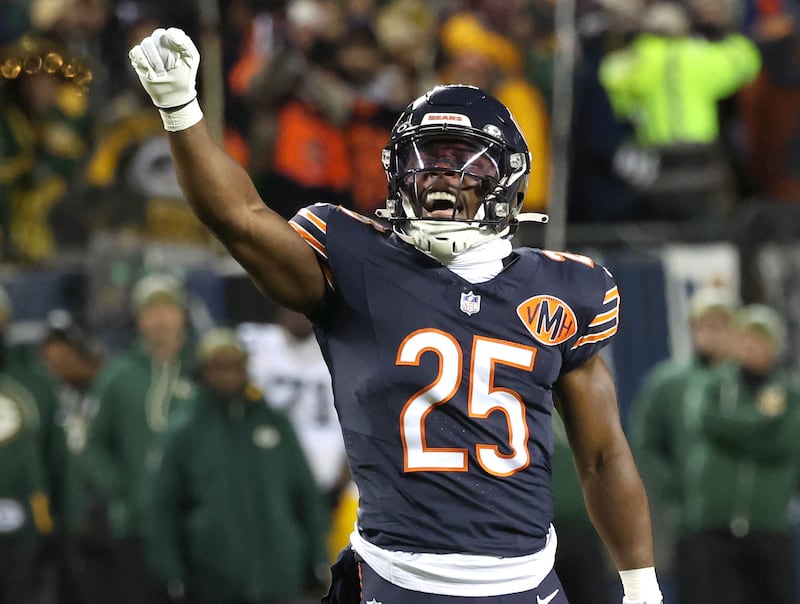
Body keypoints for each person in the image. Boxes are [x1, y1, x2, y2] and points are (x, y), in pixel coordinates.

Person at [128, 27, 662, 604]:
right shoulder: (355, 261)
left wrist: (642, 587)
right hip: (396, 579)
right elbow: (240, 218)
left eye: (463, 161)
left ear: (507, 177)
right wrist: (180, 110)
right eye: (425, 159)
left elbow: (603, 456)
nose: (440, 175)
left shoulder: (564, 291)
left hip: (524, 583)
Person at [146, 328, 329, 604]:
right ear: (204, 371)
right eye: (219, 366)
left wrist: (317, 557)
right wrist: (171, 572)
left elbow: (306, 495)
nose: (228, 374)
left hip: (281, 576)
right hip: (214, 582)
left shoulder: (274, 423)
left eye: (235, 365)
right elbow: (163, 508)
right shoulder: (185, 432)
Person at [83, 272, 198, 604]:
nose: (160, 319)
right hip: (135, 523)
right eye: (150, 310)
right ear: (138, 319)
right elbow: (94, 442)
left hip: (192, 523)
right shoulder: (117, 375)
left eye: (168, 308)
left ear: (182, 315)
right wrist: (120, 491)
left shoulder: (203, 370)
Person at [675, 303, 800, 604]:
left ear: (774, 346)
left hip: (768, 525)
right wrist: (761, 423)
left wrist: (730, 432)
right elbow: (704, 421)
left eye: (760, 339)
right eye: (745, 337)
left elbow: (783, 444)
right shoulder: (713, 385)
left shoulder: (790, 393)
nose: (751, 346)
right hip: (713, 525)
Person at [627, 286, 738, 594]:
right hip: (693, 522)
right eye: (704, 325)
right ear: (691, 329)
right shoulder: (668, 383)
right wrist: (676, 490)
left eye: (720, 325)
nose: (712, 333)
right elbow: (646, 444)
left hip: (750, 522)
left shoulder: (750, 383)